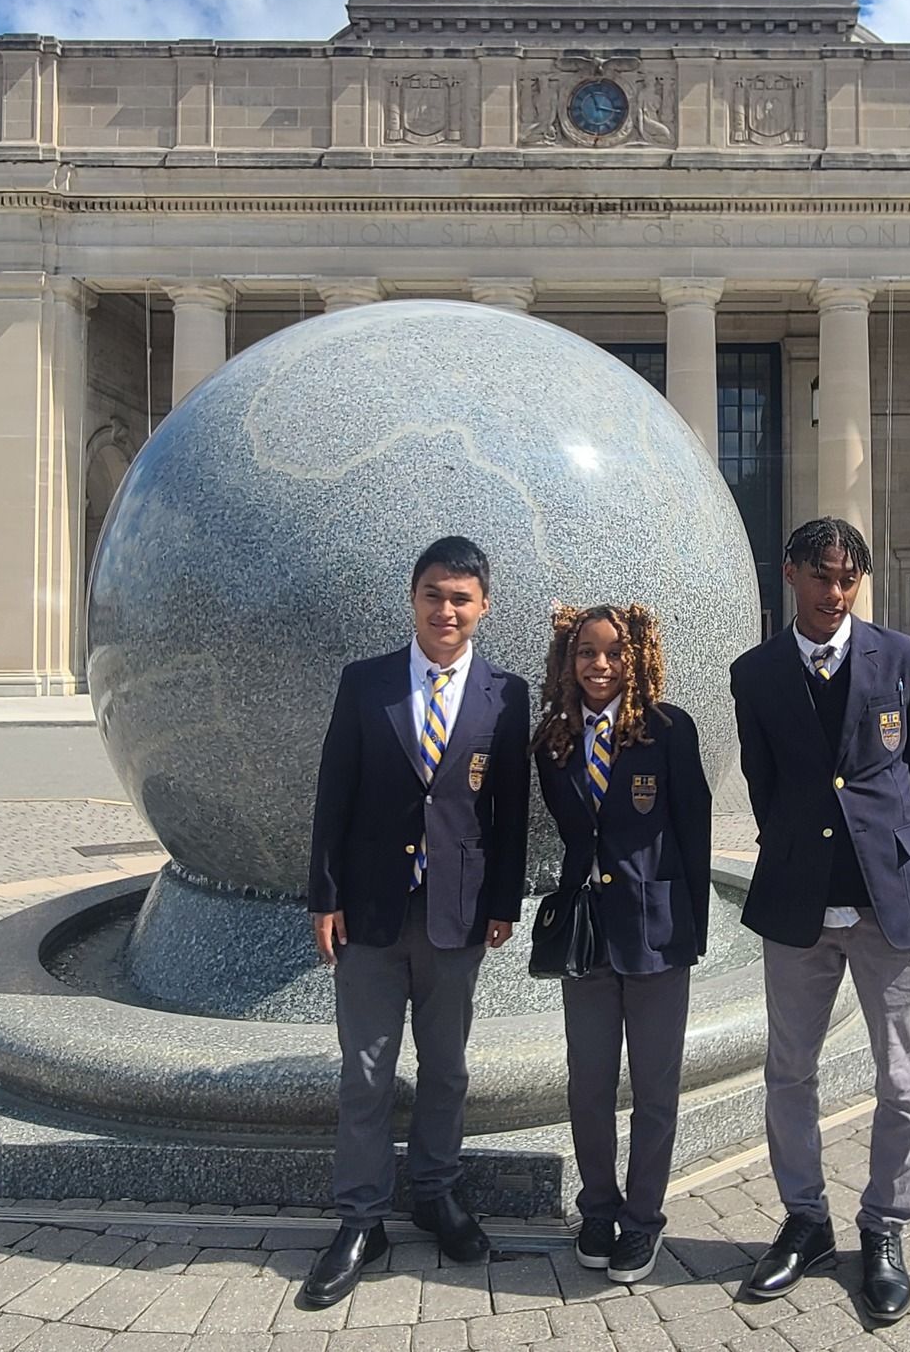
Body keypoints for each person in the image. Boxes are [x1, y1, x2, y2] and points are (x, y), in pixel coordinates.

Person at [730, 517, 910, 1323]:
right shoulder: (755, 672)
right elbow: (763, 787)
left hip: (890, 899)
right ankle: (804, 1218)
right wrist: (800, 848)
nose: (834, 593)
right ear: (791, 574)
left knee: (902, 1079)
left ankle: (883, 1227)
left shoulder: (903, 660)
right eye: (821, 575)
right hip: (797, 902)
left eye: (848, 579)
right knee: (787, 1073)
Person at [301, 536, 530, 1309]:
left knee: (446, 1066)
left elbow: (507, 811)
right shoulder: (365, 684)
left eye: (461, 598)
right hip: (368, 910)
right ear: (413, 598)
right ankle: (360, 1219)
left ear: (483, 607)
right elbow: (333, 795)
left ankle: (434, 1192)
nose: (446, 610)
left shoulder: (506, 694)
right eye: (434, 594)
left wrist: (502, 902)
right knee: (364, 1071)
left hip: (455, 914)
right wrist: (322, 896)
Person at [532, 604, 712, 1284]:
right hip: (587, 932)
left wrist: (693, 924)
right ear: (567, 659)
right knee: (588, 1083)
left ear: (637, 656)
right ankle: (598, 1208)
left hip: (659, 930)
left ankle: (641, 1221)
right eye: (585, 651)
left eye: (613, 651)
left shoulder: (668, 731)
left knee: (656, 1087)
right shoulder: (551, 739)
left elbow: (691, 833)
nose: (599, 664)